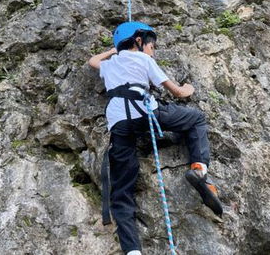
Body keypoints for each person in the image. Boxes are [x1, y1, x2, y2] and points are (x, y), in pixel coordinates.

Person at [88, 21, 222, 255]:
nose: (153, 50)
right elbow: (177, 92)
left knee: (122, 192)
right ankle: (199, 169)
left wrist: (113, 50)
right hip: (146, 112)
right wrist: (189, 88)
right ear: (139, 41)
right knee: (196, 119)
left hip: (119, 124)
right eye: (152, 45)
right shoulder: (144, 59)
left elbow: (92, 62)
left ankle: (132, 251)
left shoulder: (109, 66)